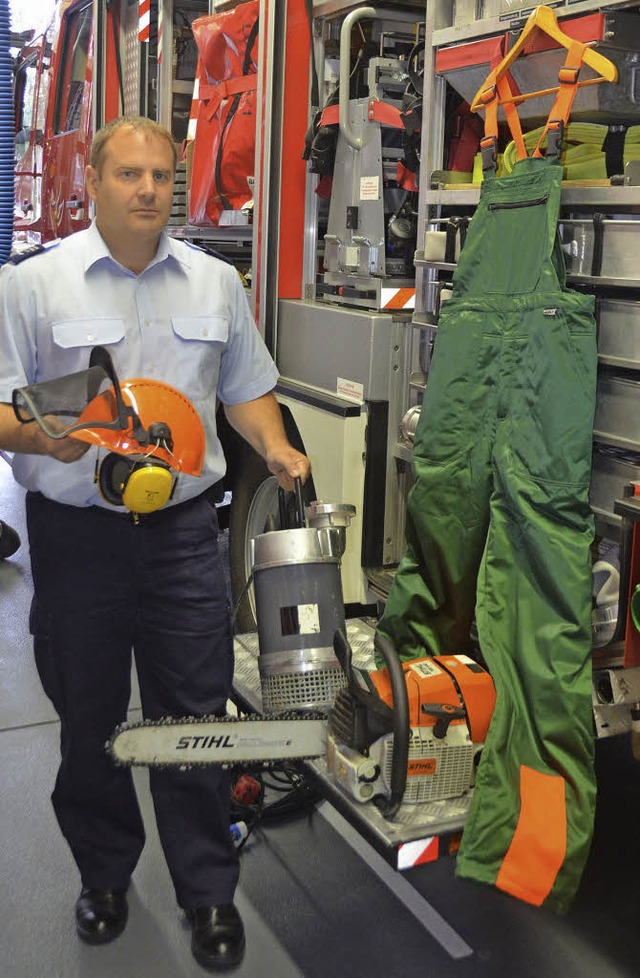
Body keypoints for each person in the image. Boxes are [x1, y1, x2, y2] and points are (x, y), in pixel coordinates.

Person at [0, 116, 311, 971]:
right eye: (129, 175)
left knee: (195, 714)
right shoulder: (31, 286)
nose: (147, 191)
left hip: (181, 535)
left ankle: (208, 891)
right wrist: (42, 439)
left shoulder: (214, 283)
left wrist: (276, 444)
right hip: (75, 537)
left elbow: (246, 389)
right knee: (90, 717)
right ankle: (103, 875)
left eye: (162, 177)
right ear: (92, 182)